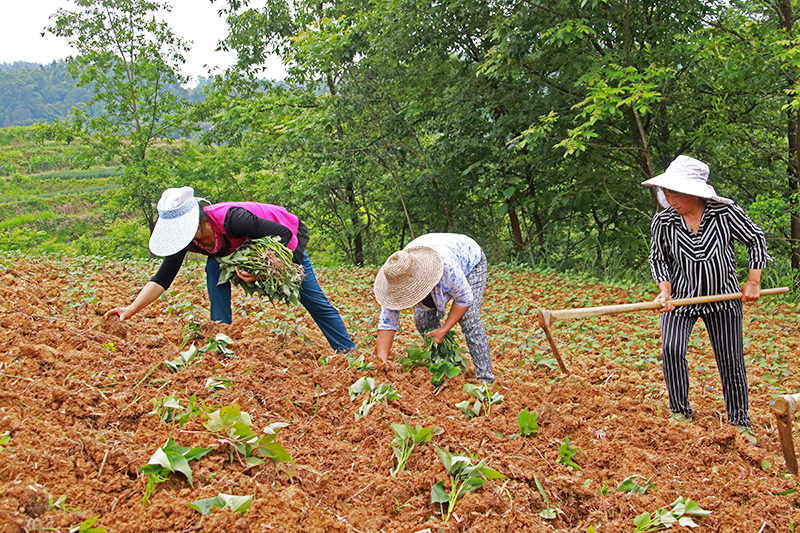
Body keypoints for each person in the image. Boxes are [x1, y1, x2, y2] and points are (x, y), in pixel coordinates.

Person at [104, 186, 356, 353]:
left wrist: (264, 272)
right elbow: (163, 277)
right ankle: (220, 334)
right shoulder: (186, 240)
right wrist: (130, 309)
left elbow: (284, 235)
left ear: (195, 220)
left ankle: (348, 352)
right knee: (214, 267)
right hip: (235, 247)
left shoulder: (233, 220)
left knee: (312, 297)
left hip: (285, 236)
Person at [642, 155, 771, 445]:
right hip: (681, 300)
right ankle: (679, 412)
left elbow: (755, 239)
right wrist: (664, 290)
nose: (670, 199)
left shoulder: (725, 213)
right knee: (671, 349)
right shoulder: (664, 220)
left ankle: (740, 420)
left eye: (676, 193)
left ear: (695, 192)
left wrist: (753, 281)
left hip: (723, 298)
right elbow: (658, 258)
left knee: (730, 359)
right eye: (667, 193)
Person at [373, 233, 494, 383]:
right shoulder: (394, 280)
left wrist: (444, 329)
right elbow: (387, 325)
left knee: (469, 318)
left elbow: (465, 299)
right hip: (436, 251)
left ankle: (485, 378)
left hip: (469, 259)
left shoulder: (446, 269)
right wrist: (381, 362)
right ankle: (445, 367)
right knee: (423, 322)